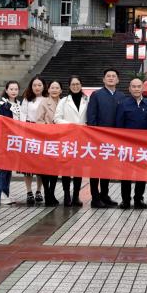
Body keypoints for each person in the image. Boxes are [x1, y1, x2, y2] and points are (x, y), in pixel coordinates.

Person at [85, 68, 124, 208]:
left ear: (118, 80)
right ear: (103, 79)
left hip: (114, 139)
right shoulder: (96, 95)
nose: (111, 78)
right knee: (96, 169)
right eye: (108, 76)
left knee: (107, 168)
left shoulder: (121, 96)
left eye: (114, 76)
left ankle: (104, 195)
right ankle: (95, 198)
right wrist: (95, 134)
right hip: (98, 138)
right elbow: (91, 116)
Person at [115, 77, 147, 209]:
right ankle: (125, 200)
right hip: (127, 147)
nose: (136, 89)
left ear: (143, 88)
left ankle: (138, 199)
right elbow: (119, 125)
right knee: (126, 174)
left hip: (143, 147)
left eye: (139, 86)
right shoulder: (123, 104)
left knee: (141, 174)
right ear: (129, 89)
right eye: (134, 86)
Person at [54, 75, 88, 207]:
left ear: (81, 85)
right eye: (73, 84)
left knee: (78, 169)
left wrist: (84, 125)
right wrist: (73, 125)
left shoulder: (87, 100)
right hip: (67, 138)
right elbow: (57, 119)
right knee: (66, 169)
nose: (75, 86)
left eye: (77, 84)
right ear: (69, 86)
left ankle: (76, 196)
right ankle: (67, 195)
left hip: (82, 139)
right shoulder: (64, 101)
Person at [0, 81, 24, 206]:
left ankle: (6, 192)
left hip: (15, 141)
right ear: (6, 90)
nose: (13, 91)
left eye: (16, 89)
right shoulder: (2, 104)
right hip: (5, 141)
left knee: (9, 168)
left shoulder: (19, 104)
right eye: (11, 89)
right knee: (3, 168)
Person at [21, 76, 47, 206]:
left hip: (43, 133)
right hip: (29, 131)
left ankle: (38, 190)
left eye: (39, 85)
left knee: (41, 165)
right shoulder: (27, 99)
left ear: (44, 86)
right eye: (34, 85)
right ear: (31, 87)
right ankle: (29, 191)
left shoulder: (47, 99)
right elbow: (23, 115)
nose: (37, 87)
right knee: (28, 165)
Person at [37, 79, 63, 207]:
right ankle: (47, 193)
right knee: (45, 168)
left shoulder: (64, 103)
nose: (54, 90)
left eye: (57, 88)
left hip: (60, 140)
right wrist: (49, 129)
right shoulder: (43, 102)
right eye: (52, 87)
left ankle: (52, 193)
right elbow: (38, 120)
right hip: (46, 139)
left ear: (61, 90)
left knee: (55, 168)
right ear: (48, 90)